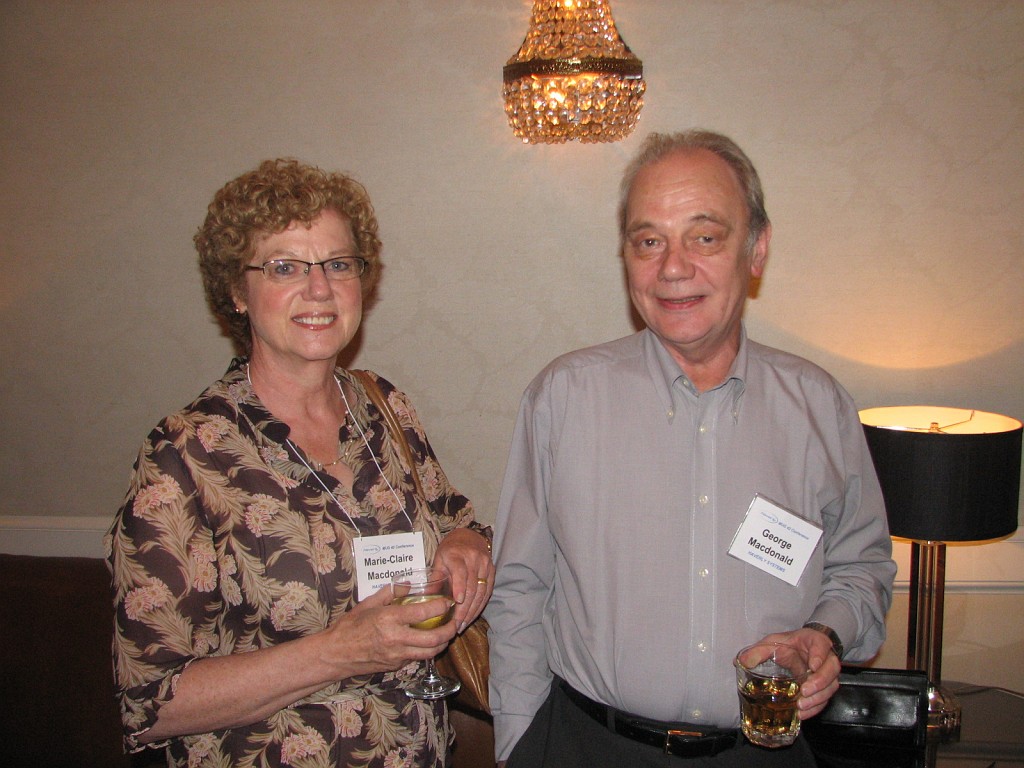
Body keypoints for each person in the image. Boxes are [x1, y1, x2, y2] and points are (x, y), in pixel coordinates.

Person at [485, 130, 896, 767]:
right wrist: (519, 745)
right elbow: (519, 587)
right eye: (649, 242)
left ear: (756, 249)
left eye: (704, 237)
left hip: (763, 752)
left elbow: (860, 566)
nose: (673, 268)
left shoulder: (820, 408)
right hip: (588, 747)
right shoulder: (562, 399)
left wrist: (825, 633)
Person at [107, 158, 494, 768]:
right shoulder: (186, 453)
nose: (319, 290)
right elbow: (153, 704)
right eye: (285, 267)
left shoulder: (384, 407)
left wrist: (466, 544)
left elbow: (452, 516)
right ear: (237, 293)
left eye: (337, 264)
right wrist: (337, 652)